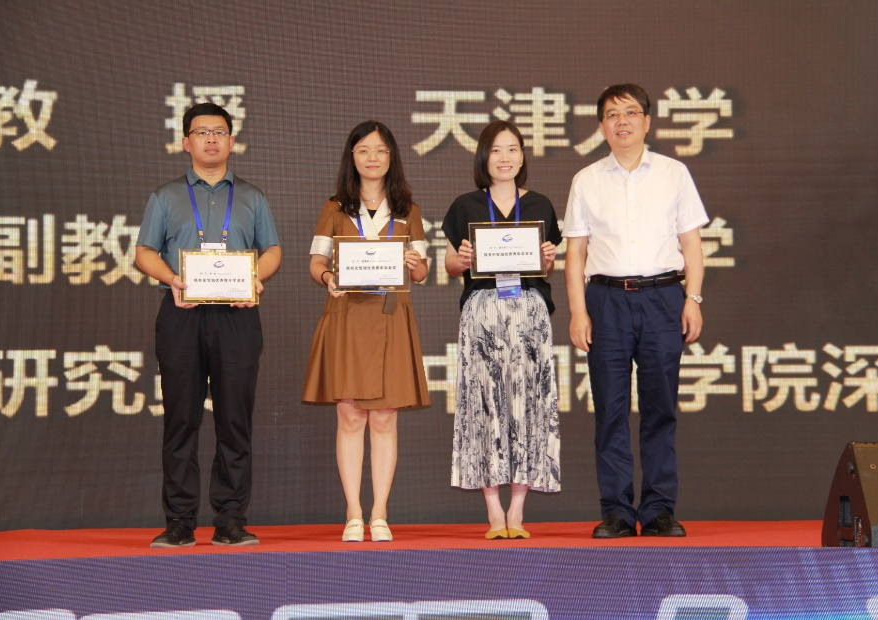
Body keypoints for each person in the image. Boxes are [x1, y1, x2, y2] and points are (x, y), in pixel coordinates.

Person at [563, 84, 708, 538]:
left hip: (663, 298)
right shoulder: (586, 180)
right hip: (605, 301)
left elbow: (691, 244)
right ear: (601, 126)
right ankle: (617, 512)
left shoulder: (674, 173)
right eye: (612, 114)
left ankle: (660, 509)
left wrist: (693, 299)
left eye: (630, 112)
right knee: (610, 410)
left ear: (647, 121)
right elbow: (575, 254)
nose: (621, 121)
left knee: (660, 408)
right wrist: (578, 311)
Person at [135, 102, 282, 547]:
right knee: (180, 420)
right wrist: (172, 279)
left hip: (237, 316)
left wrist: (254, 278)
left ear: (232, 141)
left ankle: (230, 519)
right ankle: (179, 521)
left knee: (234, 421)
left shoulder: (253, 197)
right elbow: (144, 252)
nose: (211, 139)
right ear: (186, 142)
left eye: (219, 132)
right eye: (202, 132)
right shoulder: (165, 197)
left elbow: (272, 250)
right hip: (181, 314)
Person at [302, 120, 430, 543]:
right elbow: (317, 263)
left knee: (385, 418)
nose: (372, 158)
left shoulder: (408, 209)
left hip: (391, 316)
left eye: (380, 151)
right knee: (351, 415)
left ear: (392, 157)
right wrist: (328, 279)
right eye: (363, 150)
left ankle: (380, 514)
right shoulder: (335, 206)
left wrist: (416, 264)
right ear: (351, 157)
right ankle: (353, 514)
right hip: (348, 316)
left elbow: (422, 272)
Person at [443, 120, 562, 540]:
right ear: (484, 157)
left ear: (523, 155)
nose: (505, 157)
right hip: (483, 313)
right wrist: (461, 258)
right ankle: (493, 510)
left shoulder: (541, 204)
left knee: (529, 403)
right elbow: (450, 265)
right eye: (496, 150)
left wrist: (547, 259)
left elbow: (545, 269)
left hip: (529, 313)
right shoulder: (465, 206)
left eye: (513, 149)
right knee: (484, 405)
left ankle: (518, 510)